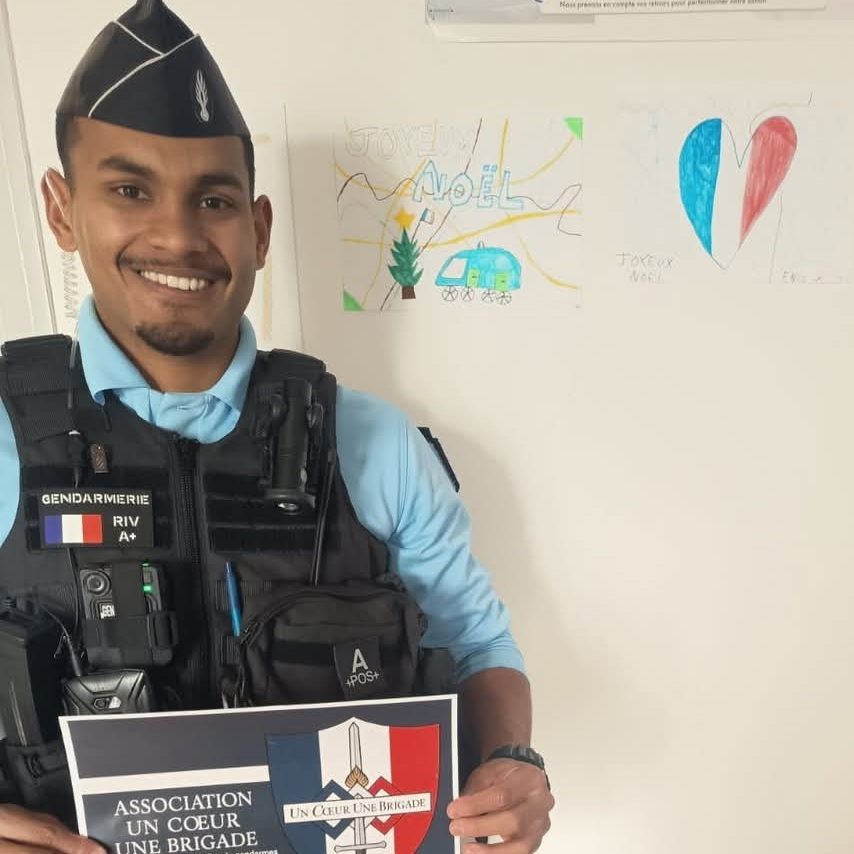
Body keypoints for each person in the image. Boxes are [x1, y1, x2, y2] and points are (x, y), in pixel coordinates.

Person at [0, 1, 554, 852]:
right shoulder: (8, 442)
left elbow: (476, 642)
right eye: (129, 190)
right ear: (62, 209)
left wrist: (510, 764)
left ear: (258, 230)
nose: (177, 234)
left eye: (213, 199)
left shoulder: (374, 447)